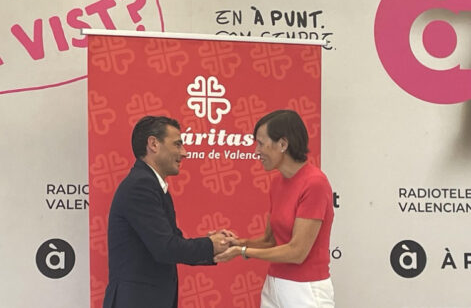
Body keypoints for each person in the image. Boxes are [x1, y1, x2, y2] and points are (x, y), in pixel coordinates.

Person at [103, 115, 231, 308]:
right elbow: (166, 248)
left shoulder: (152, 185)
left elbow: (173, 244)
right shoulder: (141, 185)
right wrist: (210, 245)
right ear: (153, 144)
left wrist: (216, 246)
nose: (184, 153)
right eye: (177, 144)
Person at [214, 110, 335, 307]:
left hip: (306, 290)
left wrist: (242, 251)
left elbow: (297, 252)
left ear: (283, 144)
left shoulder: (315, 183)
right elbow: (270, 241)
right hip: (274, 285)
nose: (257, 151)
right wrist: (236, 242)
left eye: (261, 143)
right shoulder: (277, 182)